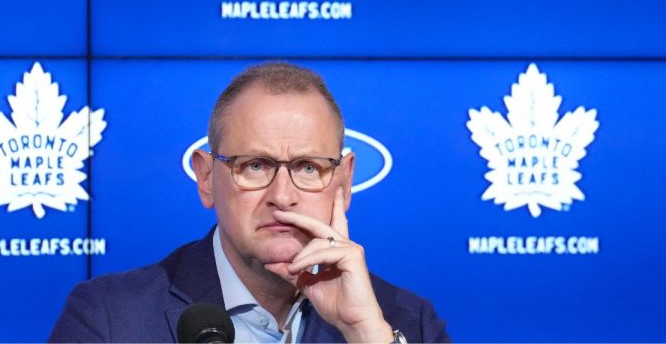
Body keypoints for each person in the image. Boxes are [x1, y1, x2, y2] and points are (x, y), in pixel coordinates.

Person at [49, 62, 449, 343]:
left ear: (342, 182)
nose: (283, 195)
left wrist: (365, 335)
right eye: (255, 166)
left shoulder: (407, 324)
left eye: (309, 168)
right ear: (206, 178)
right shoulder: (111, 321)